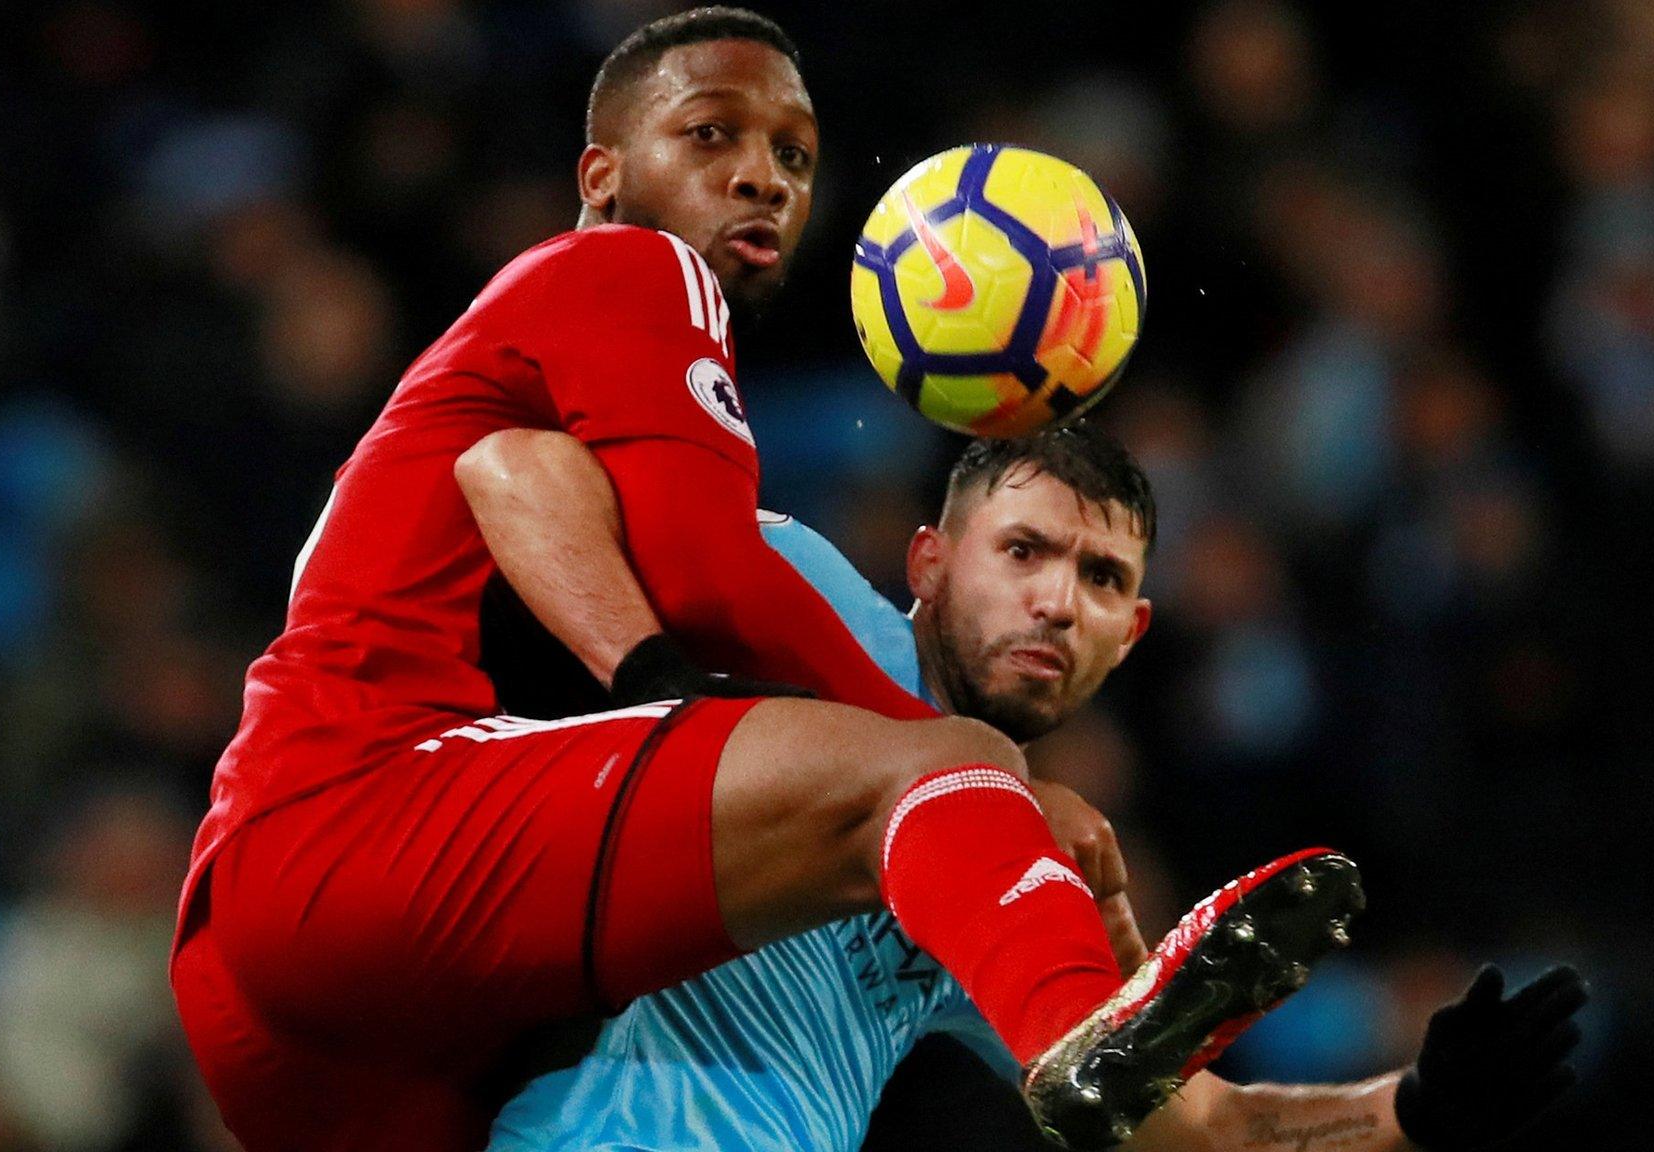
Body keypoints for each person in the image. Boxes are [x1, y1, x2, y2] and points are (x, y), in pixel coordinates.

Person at [171, 10, 1354, 1149]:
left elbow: (517, 473)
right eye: (710, 135)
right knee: (945, 768)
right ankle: (1075, 1034)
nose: (763, 179)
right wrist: (973, 770)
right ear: (601, 177)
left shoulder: (568, 372)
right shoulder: (635, 270)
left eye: (792, 155)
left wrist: (1408, 1111)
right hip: (357, 817)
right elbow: (705, 567)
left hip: (322, 1008)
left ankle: (1080, 1019)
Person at [460, 425, 1589, 1152]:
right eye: (1022, 552)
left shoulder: (1018, 872)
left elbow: (1194, 1125)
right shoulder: (788, 591)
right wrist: (658, 678)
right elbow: (512, 468)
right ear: (927, 565)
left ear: (1133, 632)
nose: (1057, 601)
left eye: (1100, 578)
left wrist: (1410, 1108)